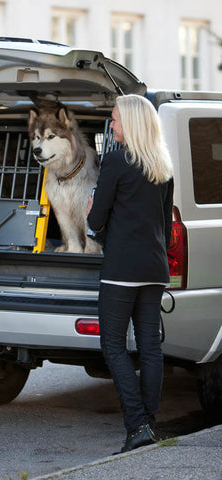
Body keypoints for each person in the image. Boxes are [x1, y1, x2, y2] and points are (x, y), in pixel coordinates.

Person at [86, 94, 174, 453]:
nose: (112, 124)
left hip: (121, 269)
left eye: (116, 119)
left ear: (132, 123)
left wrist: (94, 212)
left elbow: (95, 220)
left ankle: (137, 425)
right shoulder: (162, 165)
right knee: (151, 348)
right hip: (154, 267)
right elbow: (166, 227)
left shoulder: (116, 161)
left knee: (113, 346)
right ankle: (148, 426)